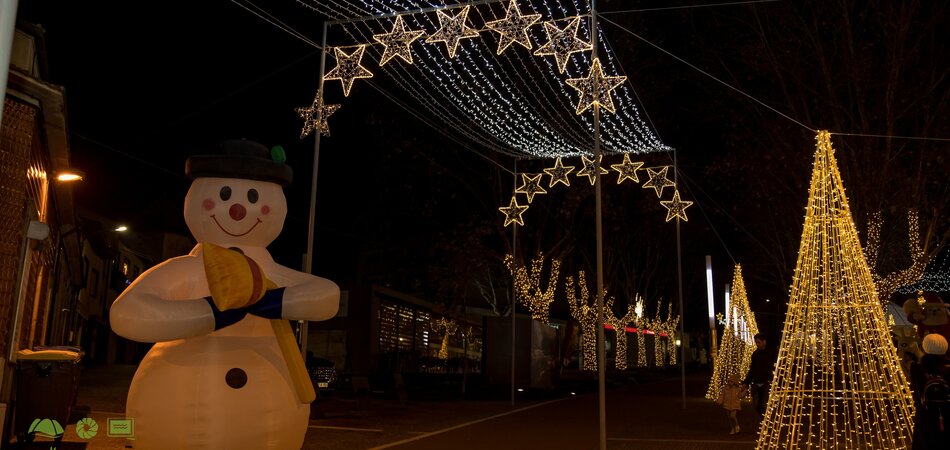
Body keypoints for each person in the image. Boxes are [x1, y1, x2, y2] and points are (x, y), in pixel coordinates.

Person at [910, 333, 950, 450]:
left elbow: (917, 391)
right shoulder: (948, 367)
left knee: (924, 442)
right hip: (947, 411)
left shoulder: (917, 367)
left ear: (925, 347)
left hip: (925, 413)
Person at [743, 333, 777, 415]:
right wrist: (746, 382)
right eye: (756, 342)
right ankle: (762, 416)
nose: (757, 344)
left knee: (765, 404)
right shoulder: (755, 354)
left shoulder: (771, 353)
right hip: (756, 382)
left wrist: (772, 378)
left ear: (764, 341)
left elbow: (774, 367)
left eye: (759, 342)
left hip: (767, 382)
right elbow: (752, 369)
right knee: (756, 405)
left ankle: (765, 419)